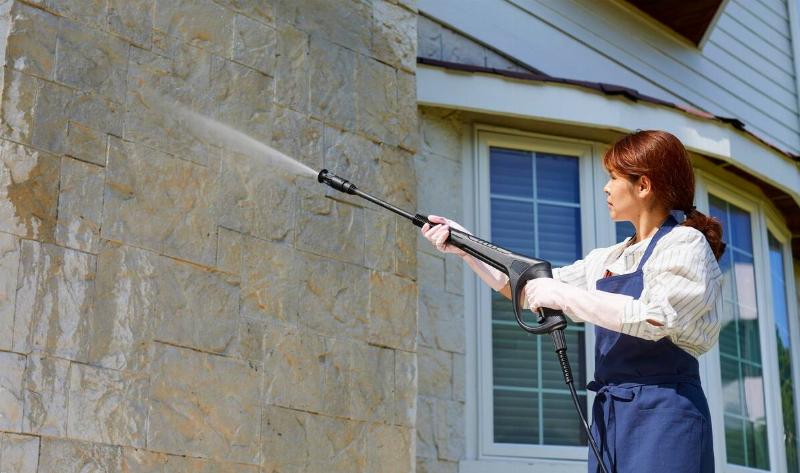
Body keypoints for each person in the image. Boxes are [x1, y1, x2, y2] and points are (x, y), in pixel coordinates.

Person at [421, 130, 725, 473]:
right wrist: (465, 246)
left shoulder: (684, 244)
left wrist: (564, 294)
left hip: (665, 413)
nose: (606, 188)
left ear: (644, 185)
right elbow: (526, 290)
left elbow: (655, 317)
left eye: (613, 178)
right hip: (611, 415)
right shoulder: (609, 258)